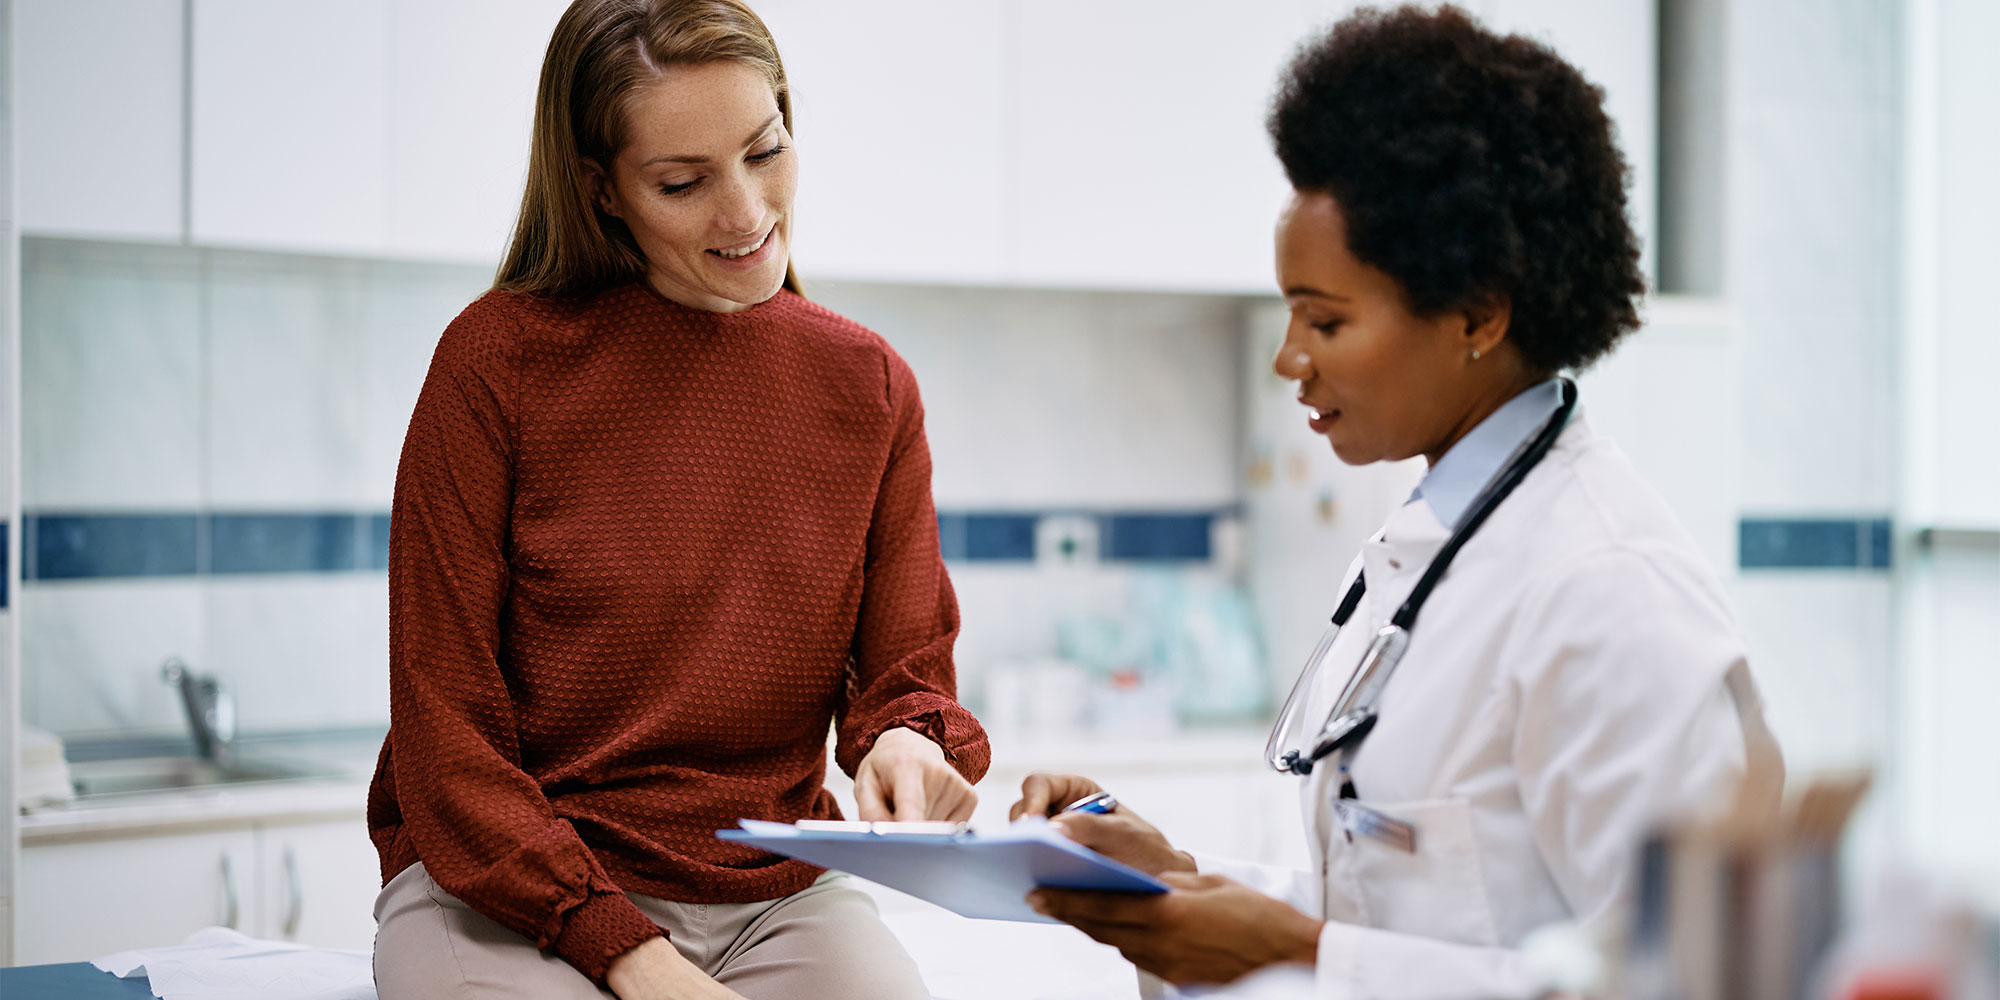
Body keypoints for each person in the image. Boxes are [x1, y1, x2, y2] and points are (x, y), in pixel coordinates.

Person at [1012, 7, 1783, 997]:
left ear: (1476, 314)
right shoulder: (1429, 549)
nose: (1288, 359)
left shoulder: (1607, 589)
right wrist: (1177, 882)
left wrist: (1296, 954)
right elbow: (1408, 914)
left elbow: (1698, 979)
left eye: (1324, 321)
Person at [366, 2, 988, 998]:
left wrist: (909, 743)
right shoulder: (494, 366)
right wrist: (633, 956)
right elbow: (446, 741)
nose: (745, 212)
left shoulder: (869, 387)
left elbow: (904, 668)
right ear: (600, 188)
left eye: (764, 151)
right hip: (508, 887)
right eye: (683, 183)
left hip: (772, 888)